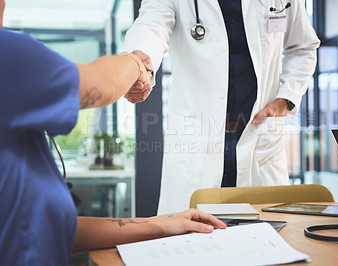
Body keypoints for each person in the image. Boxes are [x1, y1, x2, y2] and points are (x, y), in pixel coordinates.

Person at [0, 1, 226, 265]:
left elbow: (55, 227)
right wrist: (136, 63)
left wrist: (161, 224)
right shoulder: (8, 53)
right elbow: (101, 83)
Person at [124, 0, 320, 214]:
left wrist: (286, 99)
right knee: (192, 240)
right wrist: (138, 65)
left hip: (260, 139)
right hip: (199, 143)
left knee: (264, 238)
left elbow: (303, 47)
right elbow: (151, 26)